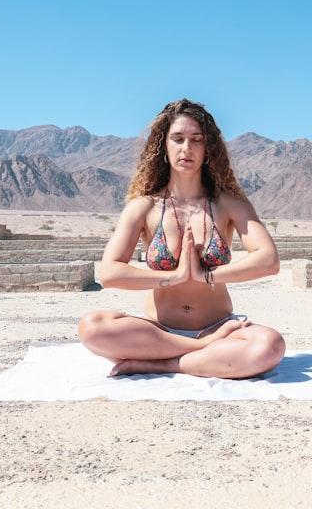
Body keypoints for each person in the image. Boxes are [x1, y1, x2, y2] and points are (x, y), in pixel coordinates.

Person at [77, 99, 286, 379]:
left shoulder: (228, 204)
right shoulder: (144, 207)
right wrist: (172, 277)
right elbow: (110, 273)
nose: (186, 148)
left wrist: (207, 275)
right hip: (158, 332)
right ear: (163, 145)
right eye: (177, 139)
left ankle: (165, 364)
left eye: (196, 140)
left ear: (207, 149)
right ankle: (200, 350)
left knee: (270, 346)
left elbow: (268, 260)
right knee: (92, 327)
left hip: (219, 329)